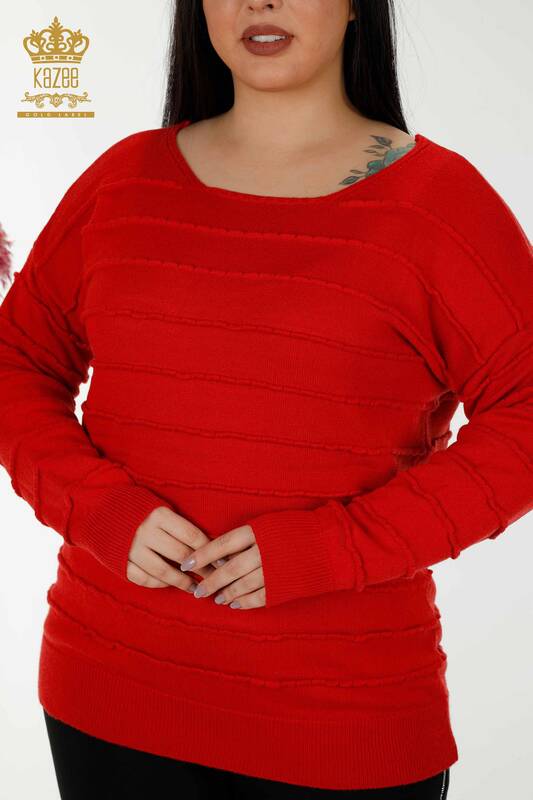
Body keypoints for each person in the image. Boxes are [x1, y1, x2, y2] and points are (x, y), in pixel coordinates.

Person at [1, 1, 531, 798]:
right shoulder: (123, 179)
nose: (260, 1)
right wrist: (95, 507)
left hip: (341, 719)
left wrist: (338, 547)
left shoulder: (437, 202)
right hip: (106, 694)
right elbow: (16, 361)